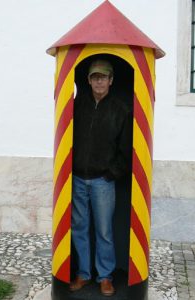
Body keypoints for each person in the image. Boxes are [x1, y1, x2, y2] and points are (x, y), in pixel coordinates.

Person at [70, 59, 131, 296]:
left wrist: (111, 174)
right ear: (88, 80)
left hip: (102, 182)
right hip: (77, 179)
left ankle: (105, 276)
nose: (99, 81)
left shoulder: (120, 109)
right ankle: (84, 274)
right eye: (95, 77)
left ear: (111, 80)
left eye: (103, 77)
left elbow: (127, 149)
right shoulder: (77, 104)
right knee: (79, 228)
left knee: (104, 231)